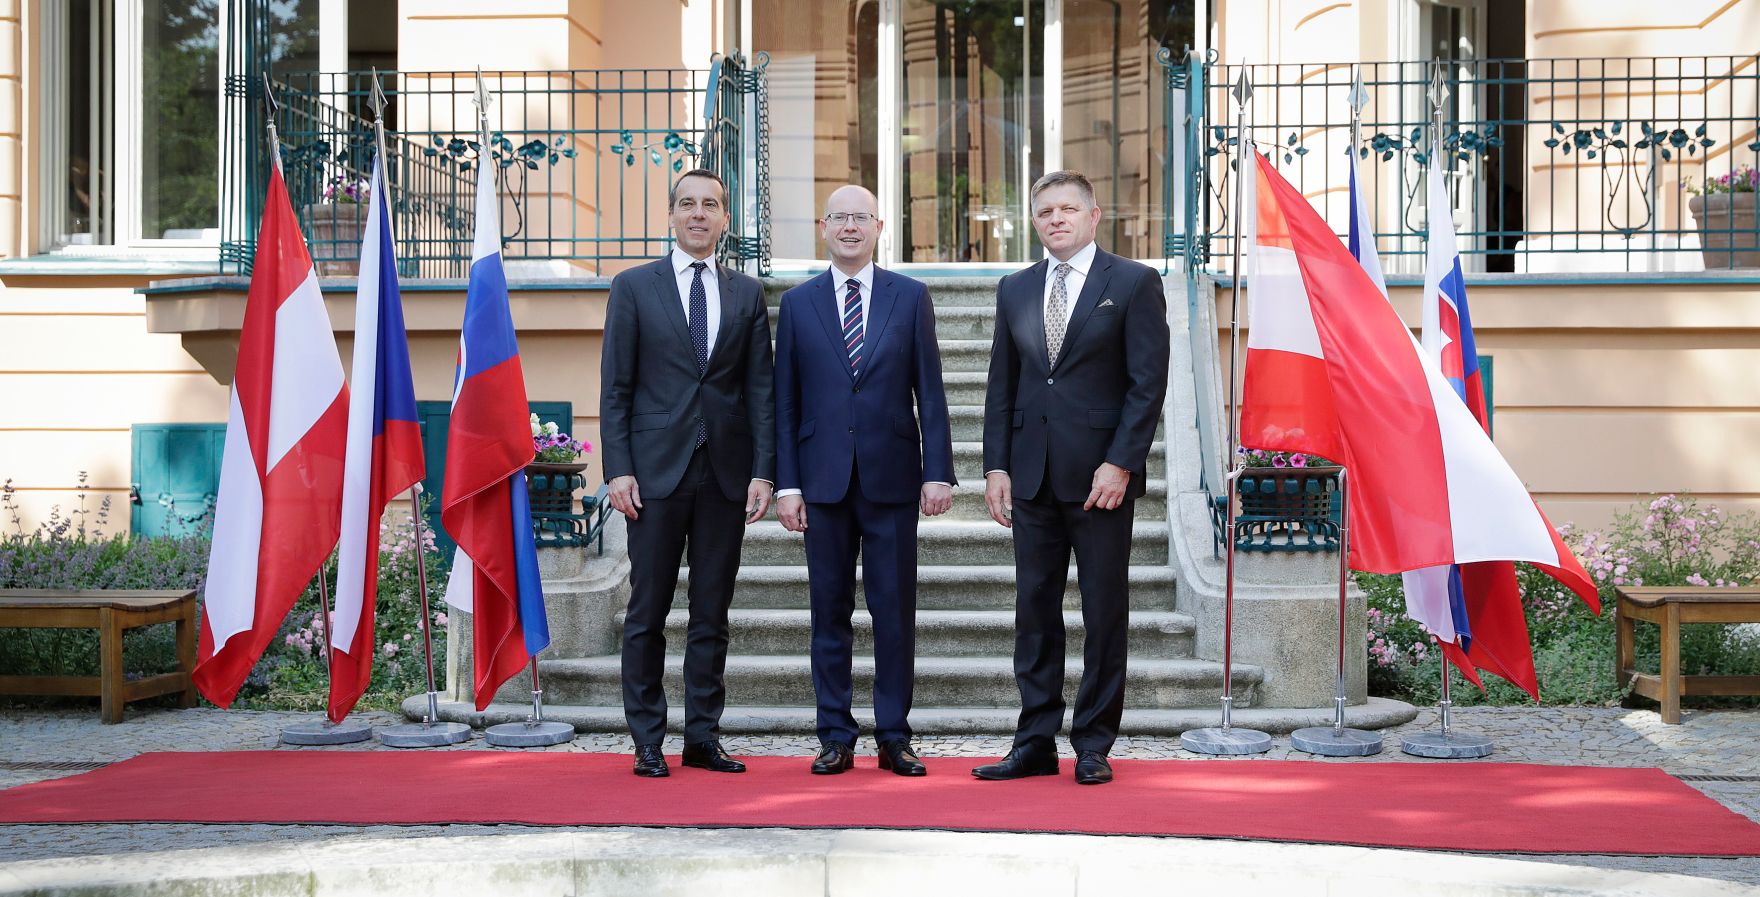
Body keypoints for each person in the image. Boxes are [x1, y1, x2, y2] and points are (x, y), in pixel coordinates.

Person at [972, 170, 1169, 786]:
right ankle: (1034, 741)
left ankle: (1093, 743)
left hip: (1100, 481)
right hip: (1030, 477)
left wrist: (1122, 461)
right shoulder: (1016, 288)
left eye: (1066, 209)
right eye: (1044, 212)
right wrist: (996, 464)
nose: (1055, 219)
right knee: (1034, 611)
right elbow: (1002, 386)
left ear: (1093, 215)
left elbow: (1147, 385)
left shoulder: (1134, 283)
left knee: (1103, 611)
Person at [774, 185, 955, 776]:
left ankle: (894, 735)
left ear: (879, 226)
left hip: (893, 482)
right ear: (823, 227)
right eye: (839, 219)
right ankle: (835, 734)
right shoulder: (799, 305)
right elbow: (786, 402)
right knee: (829, 612)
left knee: (893, 612)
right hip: (821, 483)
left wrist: (939, 473)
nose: (850, 227)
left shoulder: (910, 298)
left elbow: (929, 392)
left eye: (861, 218)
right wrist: (787, 484)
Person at [600, 168, 776, 778]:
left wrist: (764, 471)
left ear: (726, 218)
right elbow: (616, 388)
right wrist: (617, 468)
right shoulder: (633, 288)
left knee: (711, 613)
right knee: (647, 610)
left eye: (711, 205)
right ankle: (647, 737)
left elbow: (761, 390)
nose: (698, 213)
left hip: (725, 475)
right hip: (652, 475)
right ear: (670, 216)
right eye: (687, 204)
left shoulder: (747, 294)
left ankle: (701, 735)